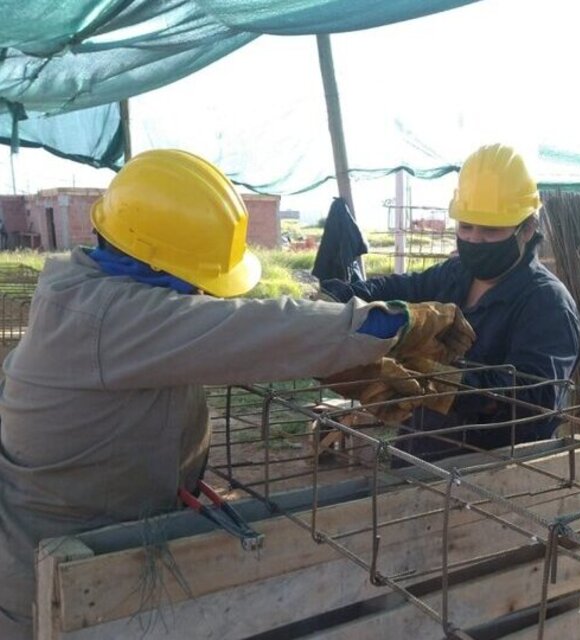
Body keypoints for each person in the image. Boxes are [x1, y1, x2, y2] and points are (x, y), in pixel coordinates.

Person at [0, 149, 475, 639]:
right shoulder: (102, 319)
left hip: (100, 552)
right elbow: (243, 326)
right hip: (55, 592)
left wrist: (338, 359)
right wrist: (391, 323)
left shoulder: (90, 290)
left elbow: (220, 335)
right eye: (198, 281)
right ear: (157, 263)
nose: (203, 295)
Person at [322, 143, 580, 460]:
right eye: (466, 226)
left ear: (527, 229)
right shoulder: (455, 275)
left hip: (493, 473)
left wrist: (447, 385)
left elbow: (534, 398)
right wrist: (338, 295)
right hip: (419, 455)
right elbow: (397, 287)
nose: (474, 239)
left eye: (490, 230)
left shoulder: (547, 304)